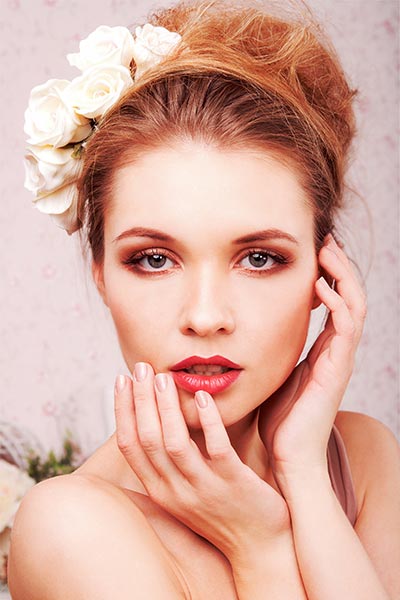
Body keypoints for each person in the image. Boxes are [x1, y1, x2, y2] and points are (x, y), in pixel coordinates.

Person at [8, 0, 400, 598]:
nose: (206, 317)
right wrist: (259, 545)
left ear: (325, 273)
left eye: (260, 258)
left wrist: (301, 469)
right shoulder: (70, 528)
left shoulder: (364, 457)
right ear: (102, 276)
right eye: (154, 259)